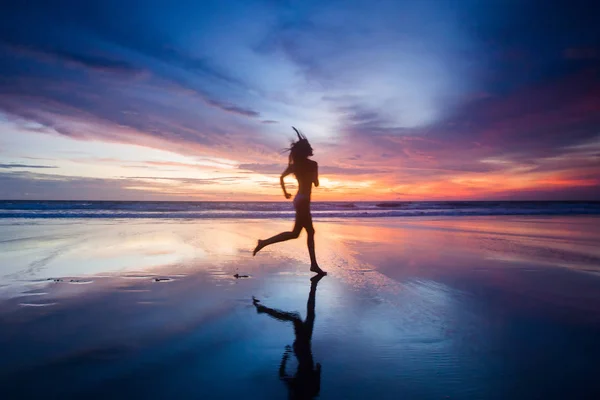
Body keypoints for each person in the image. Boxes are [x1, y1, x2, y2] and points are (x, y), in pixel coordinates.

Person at [253, 127, 326, 275]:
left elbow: (281, 177)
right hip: (303, 201)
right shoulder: (313, 165)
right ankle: (313, 265)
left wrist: (286, 192)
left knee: (296, 233)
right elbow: (316, 184)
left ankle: (264, 242)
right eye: (309, 147)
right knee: (308, 232)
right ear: (306, 150)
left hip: (298, 199)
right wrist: (313, 177)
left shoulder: (295, 166)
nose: (312, 148)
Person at [252, 274, 325, 399]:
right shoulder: (305, 391)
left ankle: (263, 309)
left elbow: (284, 375)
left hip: (303, 348)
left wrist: (286, 355)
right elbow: (283, 375)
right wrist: (286, 356)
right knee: (307, 316)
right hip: (302, 348)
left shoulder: (307, 392)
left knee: (297, 317)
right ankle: (313, 286)